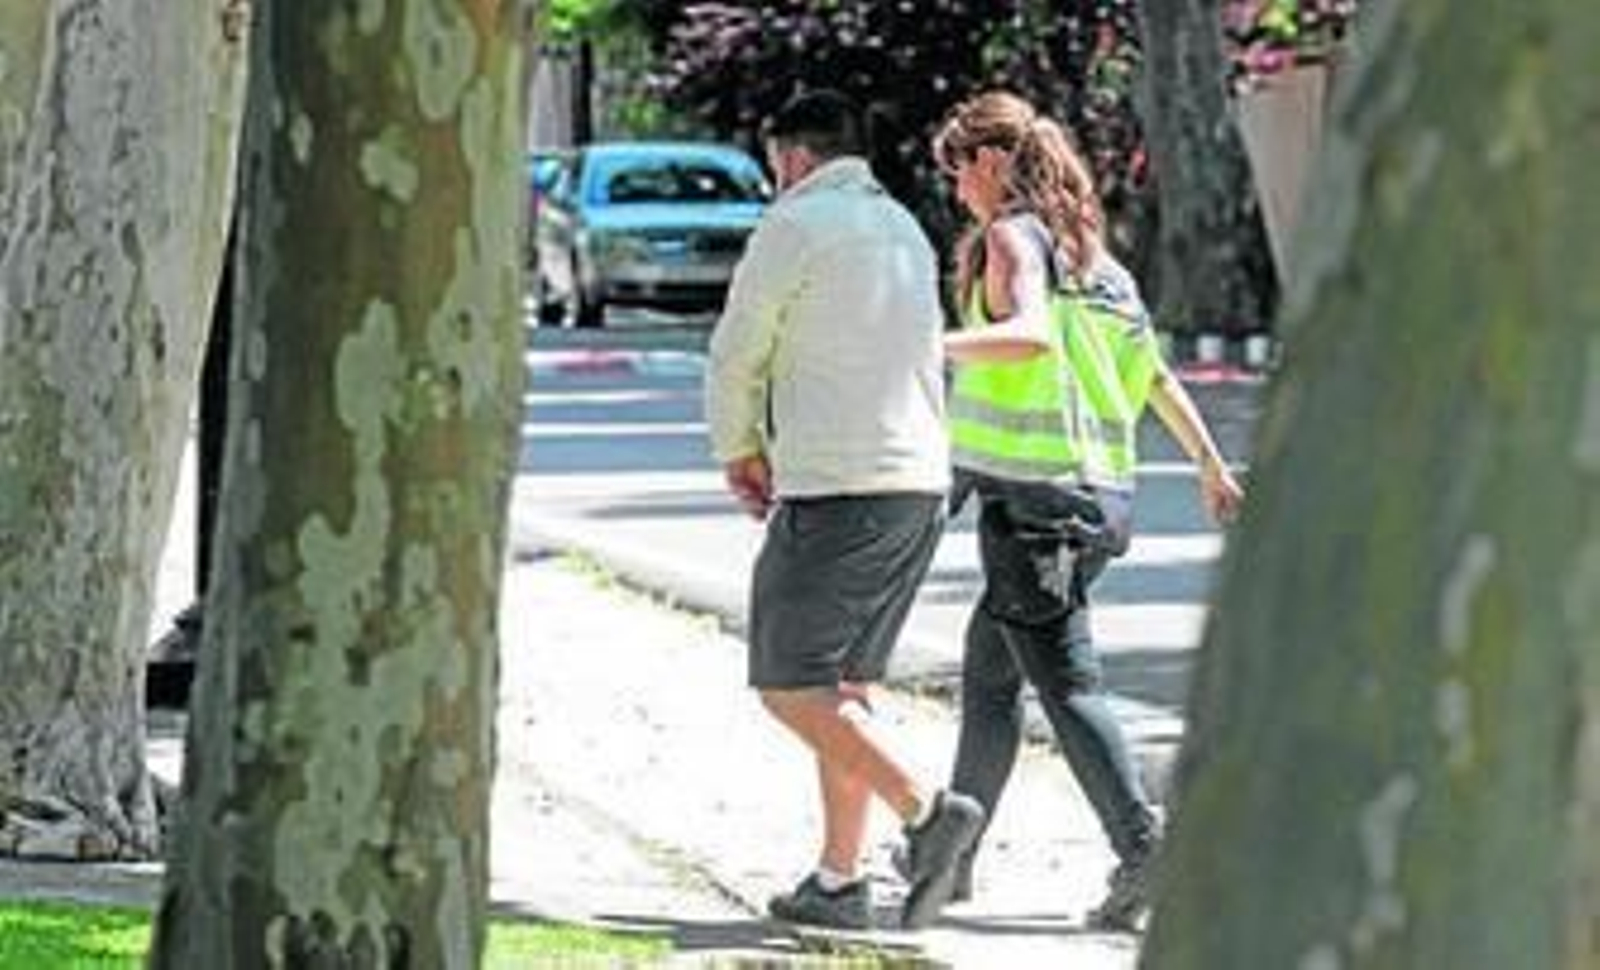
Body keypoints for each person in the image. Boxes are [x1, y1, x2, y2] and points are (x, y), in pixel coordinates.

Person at [927, 91, 1245, 931]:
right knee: (991, 678)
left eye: (958, 169)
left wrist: (921, 345)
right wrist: (1209, 463)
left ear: (991, 160)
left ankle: (1144, 847)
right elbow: (1156, 378)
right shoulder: (1102, 269)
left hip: (1037, 503)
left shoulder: (1012, 237)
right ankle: (950, 857)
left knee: (1068, 684)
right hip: (1098, 502)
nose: (957, 188)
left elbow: (1028, 335)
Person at [705, 89, 985, 932]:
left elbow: (738, 349)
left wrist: (738, 450)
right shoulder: (903, 226)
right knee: (845, 688)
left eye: (775, 164)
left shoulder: (794, 225)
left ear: (793, 156)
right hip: (919, 484)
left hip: (840, 486)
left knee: (788, 683)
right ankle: (838, 881)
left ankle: (928, 812)